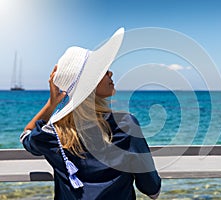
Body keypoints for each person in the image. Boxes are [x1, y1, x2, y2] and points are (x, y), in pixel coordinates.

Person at [19, 28, 161, 200]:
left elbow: (26, 135)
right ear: (90, 84)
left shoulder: (53, 135)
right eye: (103, 71)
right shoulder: (125, 124)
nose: (111, 73)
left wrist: (52, 103)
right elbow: (151, 188)